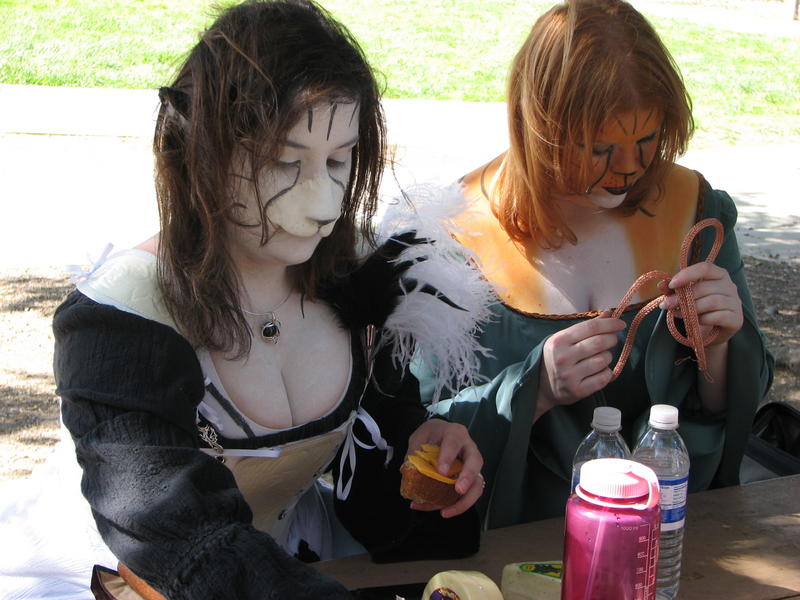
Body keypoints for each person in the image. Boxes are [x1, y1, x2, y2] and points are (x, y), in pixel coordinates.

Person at [1, 1, 493, 599]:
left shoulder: (360, 278)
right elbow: (175, 536)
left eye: (339, 160)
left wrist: (423, 445)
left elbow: (382, 435)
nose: (324, 203)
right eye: (286, 163)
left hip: (290, 566)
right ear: (203, 154)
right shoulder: (125, 319)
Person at [414, 0, 774, 529]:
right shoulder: (456, 232)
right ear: (543, 131)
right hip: (510, 547)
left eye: (647, 141)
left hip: (672, 533)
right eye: (601, 148)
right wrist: (534, 389)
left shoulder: (696, 211)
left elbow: (730, 407)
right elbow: (416, 430)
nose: (627, 169)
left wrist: (718, 346)